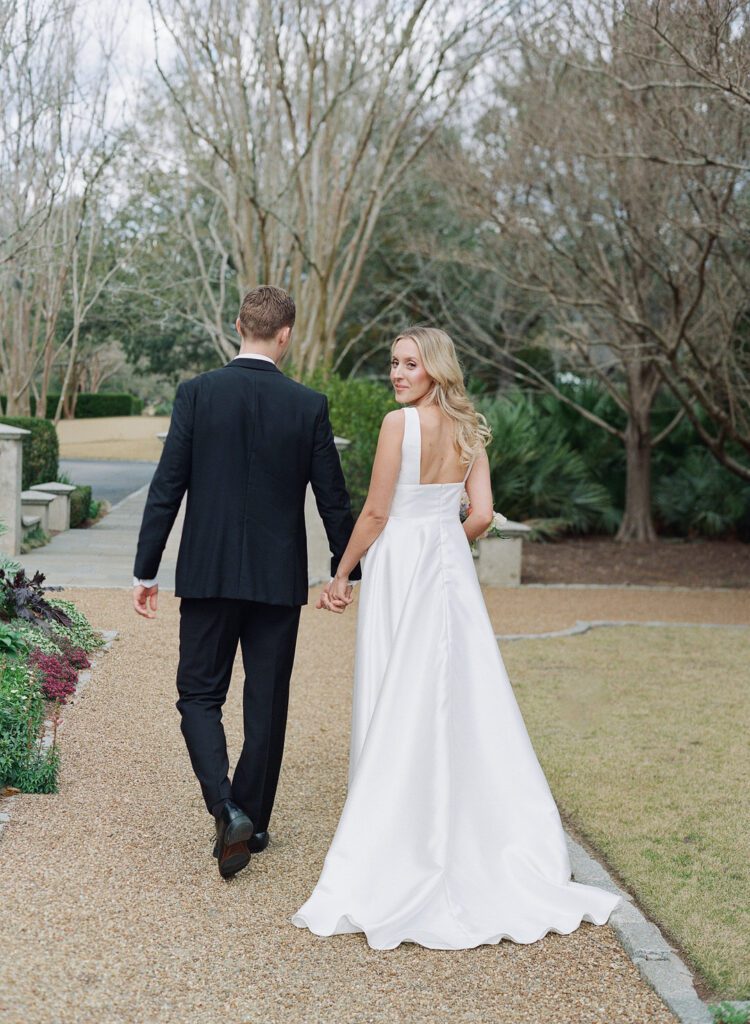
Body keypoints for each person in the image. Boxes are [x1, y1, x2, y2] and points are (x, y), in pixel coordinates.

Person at [292, 325, 622, 949]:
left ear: (435, 369)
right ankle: (467, 821)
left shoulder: (400, 425)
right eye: (393, 363)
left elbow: (377, 513)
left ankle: (394, 828)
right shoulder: (469, 428)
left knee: (398, 681)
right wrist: (446, 539)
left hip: (400, 567)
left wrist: (341, 573)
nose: (397, 374)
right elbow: (483, 514)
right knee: (459, 689)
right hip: (445, 569)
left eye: (409, 364)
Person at [132, 285, 360, 880]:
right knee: (267, 701)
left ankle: (224, 805)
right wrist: (347, 568)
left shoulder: (197, 394)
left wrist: (145, 568)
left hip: (207, 574)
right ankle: (250, 822)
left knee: (199, 695)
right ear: (286, 335)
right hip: (276, 580)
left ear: (239, 324)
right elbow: (333, 498)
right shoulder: (308, 405)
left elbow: (167, 487)